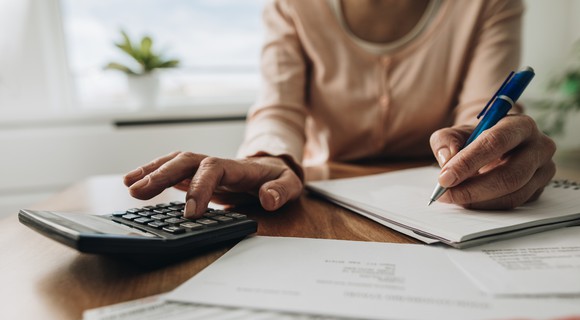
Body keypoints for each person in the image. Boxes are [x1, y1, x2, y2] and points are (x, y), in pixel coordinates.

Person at [123, 0, 556, 218]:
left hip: (443, 201)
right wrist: (267, 158)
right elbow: (279, 108)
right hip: (324, 197)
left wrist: (493, 147)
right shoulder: (292, 5)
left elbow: (482, 112)